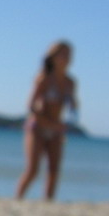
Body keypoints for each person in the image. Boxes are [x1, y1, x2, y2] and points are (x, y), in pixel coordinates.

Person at [15, 41, 78, 200]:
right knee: (33, 170)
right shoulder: (43, 78)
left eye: (68, 54)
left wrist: (72, 107)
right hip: (37, 126)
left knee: (54, 171)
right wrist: (44, 118)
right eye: (62, 54)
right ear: (52, 56)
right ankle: (18, 199)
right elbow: (31, 106)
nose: (66, 58)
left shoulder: (70, 82)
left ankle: (48, 203)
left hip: (56, 129)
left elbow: (73, 106)